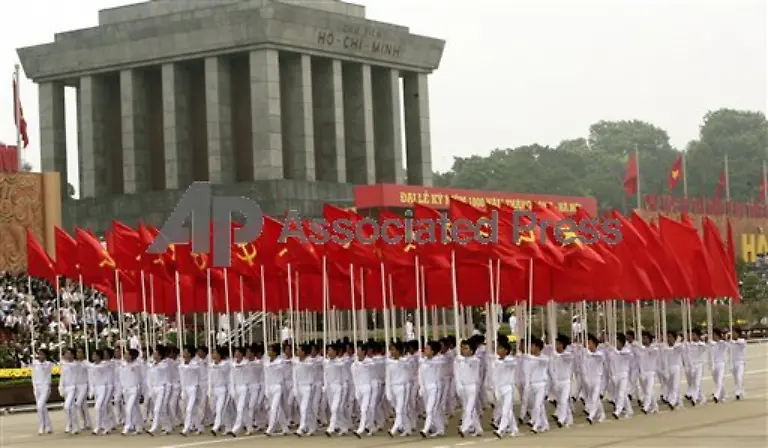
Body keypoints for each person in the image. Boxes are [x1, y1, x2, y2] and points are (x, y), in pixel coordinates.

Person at [490, 338, 518, 438]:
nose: (498, 350)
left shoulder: (510, 360)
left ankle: (501, 430)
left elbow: (511, 363)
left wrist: (502, 360)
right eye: (498, 348)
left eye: (501, 348)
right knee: (506, 410)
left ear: (506, 350)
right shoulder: (495, 361)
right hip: (498, 388)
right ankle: (514, 428)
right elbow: (494, 375)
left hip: (507, 388)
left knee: (506, 410)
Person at [455, 339, 482, 437]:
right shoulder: (459, 361)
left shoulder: (475, 360)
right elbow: (457, 374)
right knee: (469, 408)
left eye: (466, 348)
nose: (463, 350)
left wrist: (461, 360)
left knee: (469, 409)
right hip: (463, 387)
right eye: (462, 348)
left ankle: (464, 428)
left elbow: (471, 361)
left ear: (471, 351)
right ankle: (478, 429)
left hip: (472, 387)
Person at [419, 340, 445, 438]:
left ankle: (425, 429)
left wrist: (426, 360)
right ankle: (440, 428)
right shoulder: (423, 361)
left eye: (428, 348)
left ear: (433, 351)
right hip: (426, 388)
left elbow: (435, 363)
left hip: (435, 387)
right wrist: (421, 387)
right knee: (434, 409)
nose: (425, 350)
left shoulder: (439, 360)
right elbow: (420, 375)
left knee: (430, 409)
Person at [525, 338, 550, 434]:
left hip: (541, 384)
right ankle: (545, 424)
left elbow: (541, 361)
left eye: (533, 346)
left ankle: (536, 424)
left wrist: (531, 358)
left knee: (537, 405)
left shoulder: (544, 358)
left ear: (538, 347)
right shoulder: (529, 359)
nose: (531, 348)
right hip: (533, 384)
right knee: (539, 406)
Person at [549, 334, 574, 428]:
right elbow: (551, 368)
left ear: (563, 345)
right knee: (561, 402)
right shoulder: (554, 355)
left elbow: (566, 356)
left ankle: (561, 419)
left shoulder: (568, 355)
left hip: (566, 382)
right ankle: (569, 419)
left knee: (563, 401)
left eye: (558, 344)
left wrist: (558, 355)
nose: (556, 346)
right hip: (557, 382)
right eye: (556, 344)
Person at [119, 348, 144, 435]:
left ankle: (127, 427)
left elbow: (140, 377)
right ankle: (139, 426)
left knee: (128, 408)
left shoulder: (137, 365)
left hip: (134, 389)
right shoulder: (123, 364)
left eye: (127, 354)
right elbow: (121, 377)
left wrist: (141, 390)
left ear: (131, 356)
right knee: (135, 408)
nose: (125, 356)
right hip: (126, 389)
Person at [31, 348, 54, 435]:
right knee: (43, 407)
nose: (40, 356)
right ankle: (49, 426)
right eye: (39, 354)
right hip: (37, 387)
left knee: (40, 406)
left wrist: (41, 363)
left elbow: (45, 368)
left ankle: (42, 425)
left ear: (45, 355)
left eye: (42, 354)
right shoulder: (35, 363)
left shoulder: (48, 364)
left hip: (45, 387)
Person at [709, 328, 729, 403]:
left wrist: (724, 338)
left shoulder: (722, 343)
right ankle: (723, 394)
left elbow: (727, 344)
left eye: (713, 335)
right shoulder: (711, 344)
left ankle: (716, 395)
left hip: (721, 364)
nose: (712, 336)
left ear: (717, 335)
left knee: (719, 380)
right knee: (716, 381)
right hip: (713, 364)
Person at [730, 328, 747, 400]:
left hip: (740, 362)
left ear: (738, 333)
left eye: (734, 333)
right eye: (732, 333)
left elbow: (740, 342)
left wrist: (732, 341)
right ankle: (740, 391)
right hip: (733, 362)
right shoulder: (731, 342)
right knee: (736, 379)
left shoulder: (742, 341)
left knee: (739, 377)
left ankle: (738, 392)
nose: (733, 334)